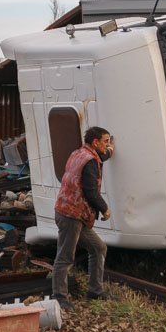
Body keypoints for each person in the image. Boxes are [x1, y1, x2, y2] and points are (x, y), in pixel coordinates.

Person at [52, 126, 114, 312]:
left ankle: (95, 291)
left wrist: (110, 152)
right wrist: (105, 209)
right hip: (72, 215)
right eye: (105, 142)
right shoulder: (90, 162)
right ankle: (59, 297)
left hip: (71, 212)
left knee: (99, 247)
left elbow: (98, 159)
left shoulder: (80, 153)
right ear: (95, 142)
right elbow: (90, 191)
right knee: (65, 257)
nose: (108, 145)